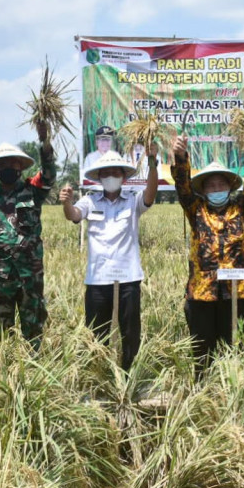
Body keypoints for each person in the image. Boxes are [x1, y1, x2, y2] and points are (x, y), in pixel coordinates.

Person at [60, 145, 159, 370]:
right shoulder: (89, 201)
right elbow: (73, 215)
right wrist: (66, 202)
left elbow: (151, 194)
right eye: (106, 173)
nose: (111, 176)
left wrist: (152, 162)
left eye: (116, 172)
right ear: (99, 177)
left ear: (123, 176)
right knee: (96, 332)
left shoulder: (133, 200)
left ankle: (128, 375)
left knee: (130, 331)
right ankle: (99, 375)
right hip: (98, 279)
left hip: (128, 278)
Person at [172, 135, 244, 373]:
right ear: (204, 190)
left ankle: (232, 391)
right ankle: (202, 391)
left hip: (236, 291)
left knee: (234, 346)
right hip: (203, 292)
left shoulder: (241, 208)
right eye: (211, 186)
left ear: (230, 188)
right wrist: (180, 158)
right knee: (202, 348)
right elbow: (182, 186)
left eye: (221, 185)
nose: (216, 189)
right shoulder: (196, 210)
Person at [0, 122, 56, 350]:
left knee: (34, 322)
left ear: (20, 166)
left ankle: (34, 366)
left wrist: (44, 142)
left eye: (12, 163)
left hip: (30, 273)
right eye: (3, 164)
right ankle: (3, 367)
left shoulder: (33, 191)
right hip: (0, 274)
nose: (8, 167)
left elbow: (49, 174)